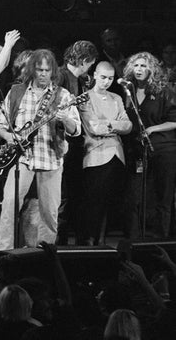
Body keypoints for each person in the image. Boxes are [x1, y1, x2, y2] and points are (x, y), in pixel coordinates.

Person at [0, 49, 81, 250]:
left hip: (51, 158)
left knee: (49, 212)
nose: (43, 73)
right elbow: (0, 125)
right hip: (22, 159)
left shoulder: (63, 95)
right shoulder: (17, 92)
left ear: (53, 72)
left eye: (47, 70)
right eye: (39, 69)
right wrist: (11, 138)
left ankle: (45, 255)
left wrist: (65, 119)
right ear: (32, 69)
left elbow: (76, 130)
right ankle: (4, 253)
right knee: (9, 206)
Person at [121, 51, 176, 238]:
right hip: (138, 150)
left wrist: (153, 129)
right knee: (135, 196)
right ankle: (135, 238)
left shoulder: (164, 91)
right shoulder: (128, 90)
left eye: (143, 66)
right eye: (136, 65)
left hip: (163, 148)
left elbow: (174, 120)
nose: (139, 69)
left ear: (151, 69)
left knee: (163, 197)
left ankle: (162, 238)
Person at [78, 62, 132, 245]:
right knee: (94, 202)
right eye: (103, 77)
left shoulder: (116, 98)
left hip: (117, 154)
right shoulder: (85, 97)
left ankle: (101, 240)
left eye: (110, 78)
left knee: (110, 201)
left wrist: (109, 125)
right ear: (95, 75)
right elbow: (94, 128)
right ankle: (89, 241)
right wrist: (114, 125)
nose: (107, 82)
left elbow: (128, 125)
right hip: (95, 155)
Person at [57, 40, 98, 245]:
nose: (89, 68)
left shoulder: (76, 78)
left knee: (73, 193)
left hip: (73, 142)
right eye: (90, 64)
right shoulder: (62, 76)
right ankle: (58, 241)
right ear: (83, 61)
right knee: (63, 196)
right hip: (63, 143)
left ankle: (73, 239)